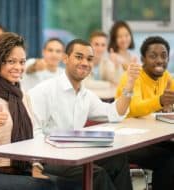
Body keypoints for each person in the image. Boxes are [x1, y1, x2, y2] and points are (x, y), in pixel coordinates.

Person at [0, 32, 81, 190]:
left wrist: (35, 167)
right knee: (45, 187)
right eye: (11, 61)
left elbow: (32, 140)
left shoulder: (23, 97)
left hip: (20, 171)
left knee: (73, 185)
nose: (18, 67)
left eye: (21, 62)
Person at [28, 39, 141, 190]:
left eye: (89, 59)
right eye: (79, 57)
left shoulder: (85, 95)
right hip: (49, 159)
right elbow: (33, 131)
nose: (85, 63)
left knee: (117, 160)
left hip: (75, 153)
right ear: (66, 59)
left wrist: (130, 83)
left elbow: (114, 113)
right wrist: (35, 166)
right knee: (97, 174)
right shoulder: (44, 90)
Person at [116, 36, 174, 189]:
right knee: (168, 159)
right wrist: (160, 101)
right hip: (128, 142)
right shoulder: (132, 77)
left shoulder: (167, 78)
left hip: (153, 138)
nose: (160, 60)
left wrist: (169, 107)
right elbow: (133, 108)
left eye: (164, 56)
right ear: (143, 58)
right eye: (153, 56)